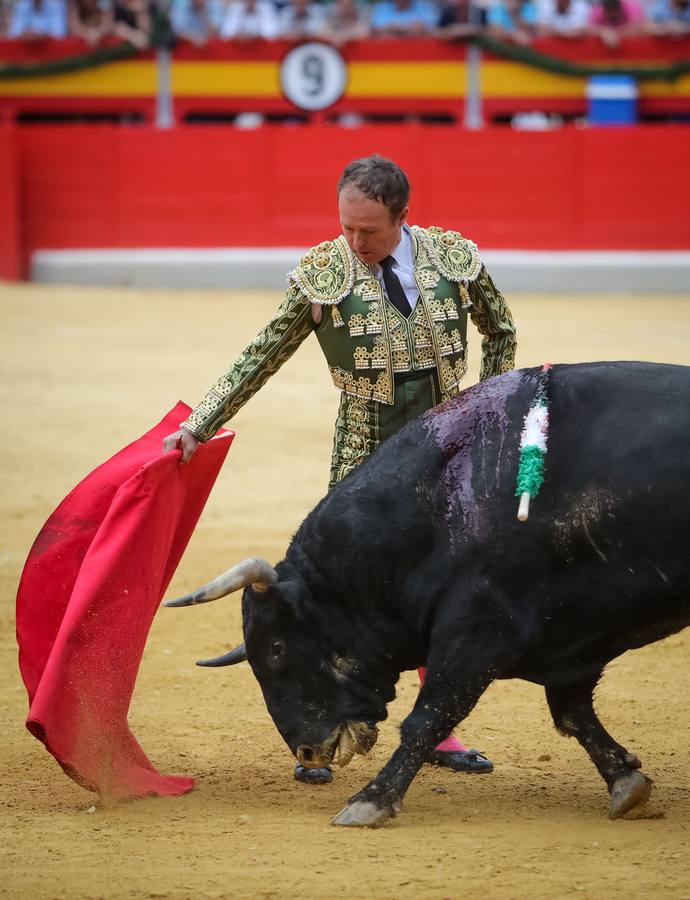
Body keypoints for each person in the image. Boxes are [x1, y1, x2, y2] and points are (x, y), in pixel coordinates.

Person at [164, 155, 517, 784]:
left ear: (402, 219)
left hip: (448, 446)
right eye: (347, 227)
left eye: (370, 231)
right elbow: (260, 355)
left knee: (446, 582)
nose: (355, 243)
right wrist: (200, 423)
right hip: (366, 450)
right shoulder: (323, 273)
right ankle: (322, 726)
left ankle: (440, 726)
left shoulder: (452, 262)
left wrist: (486, 410)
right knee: (342, 592)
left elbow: (502, 330)